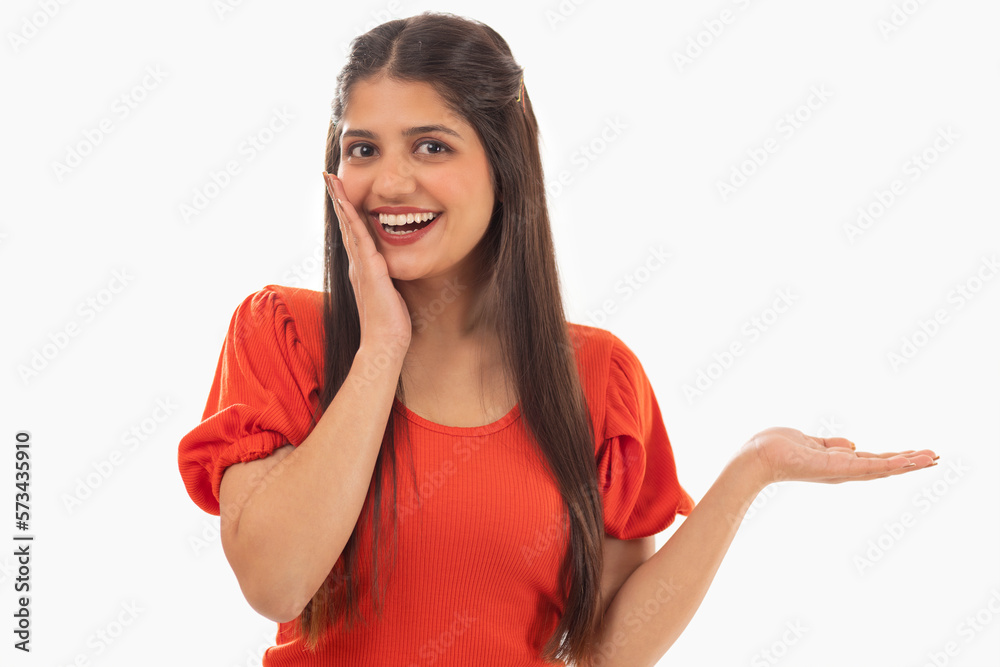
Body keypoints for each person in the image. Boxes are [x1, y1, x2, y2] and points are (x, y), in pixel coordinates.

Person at [177, 11, 939, 667]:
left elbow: (604, 646)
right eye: (362, 148)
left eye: (431, 146)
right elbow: (276, 582)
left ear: (504, 167)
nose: (390, 182)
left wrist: (752, 470)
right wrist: (381, 346)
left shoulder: (598, 378)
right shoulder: (283, 334)